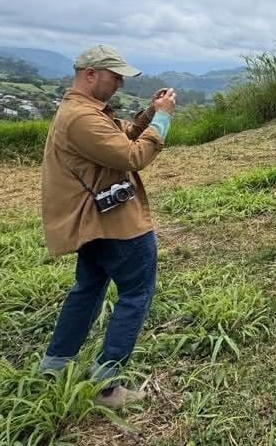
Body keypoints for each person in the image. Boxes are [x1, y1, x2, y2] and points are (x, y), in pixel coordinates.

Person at [39, 45, 176, 410]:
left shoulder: (83, 112)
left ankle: (55, 365)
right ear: (90, 74)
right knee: (135, 292)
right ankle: (107, 384)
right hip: (118, 225)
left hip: (96, 223)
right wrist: (162, 120)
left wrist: (148, 112)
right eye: (115, 76)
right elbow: (132, 155)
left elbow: (122, 137)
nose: (118, 83)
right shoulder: (82, 118)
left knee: (88, 289)